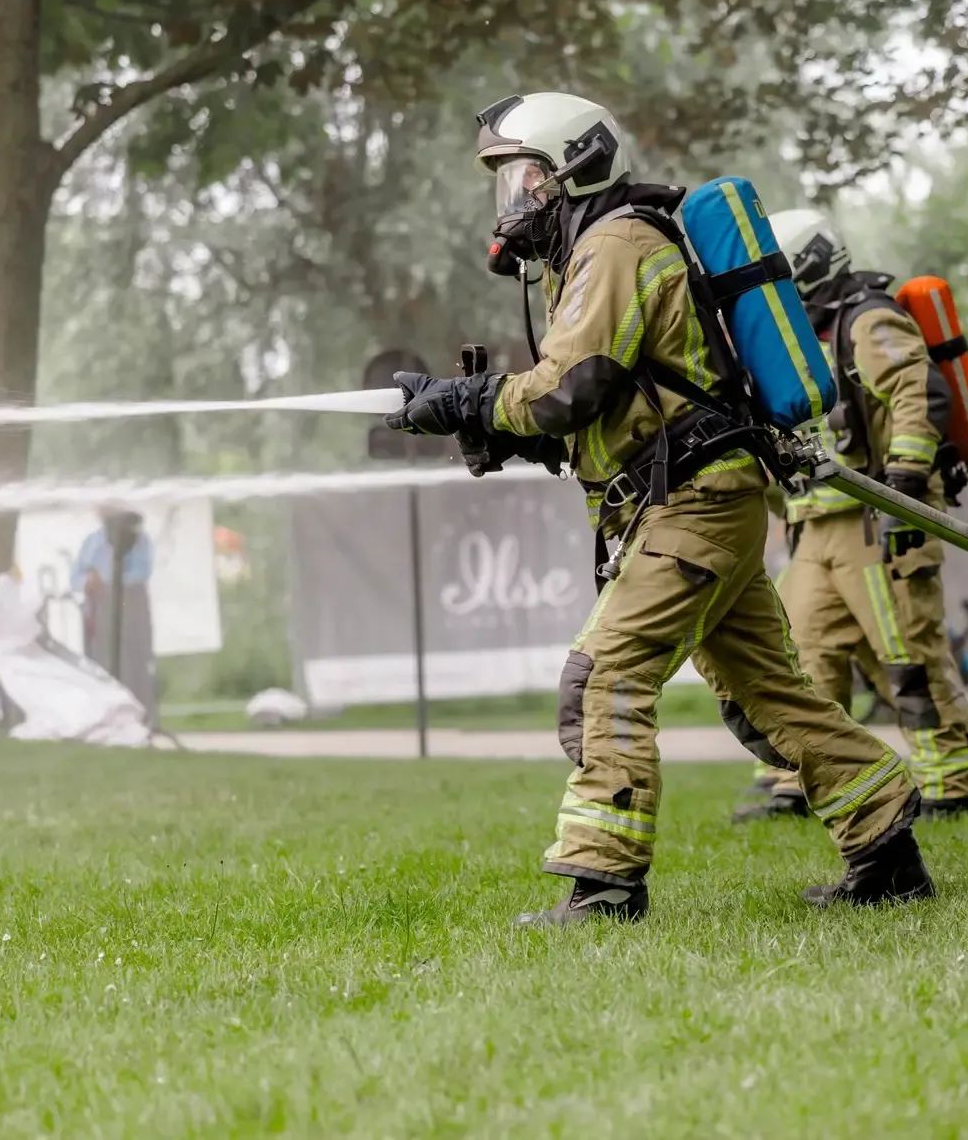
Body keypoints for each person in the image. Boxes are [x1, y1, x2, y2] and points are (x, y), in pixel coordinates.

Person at [385, 91, 933, 923]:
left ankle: (605, 881)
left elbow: (568, 389)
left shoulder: (616, 245)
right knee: (766, 691)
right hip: (702, 499)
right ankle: (885, 841)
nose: (512, 201)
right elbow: (608, 407)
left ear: (574, 164)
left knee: (604, 675)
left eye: (522, 175)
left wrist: (465, 399)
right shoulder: (598, 251)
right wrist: (488, 425)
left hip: (695, 505)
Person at [733, 209, 968, 820]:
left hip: (878, 517)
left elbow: (918, 393)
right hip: (816, 525)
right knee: (800, 658)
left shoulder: (868, 321)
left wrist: (903, 487)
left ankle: (950, 782)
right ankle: (796, 781)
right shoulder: (800, 343)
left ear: (811, 266)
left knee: (908, 655)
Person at [74, 507, 157, 727]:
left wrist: (109, 581)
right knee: (101, 663)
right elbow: (76, 575)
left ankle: (141, 718)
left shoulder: (139, 541)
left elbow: (142, 572)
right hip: (99, 610)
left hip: (130, 607)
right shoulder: (92, 541)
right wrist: (87, 582)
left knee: (134, 662)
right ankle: (106, 719)